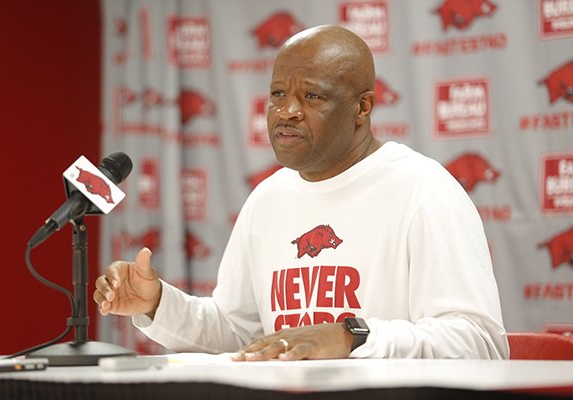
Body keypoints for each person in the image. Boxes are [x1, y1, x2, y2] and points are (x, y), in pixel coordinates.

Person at [93, 25, 509, 360]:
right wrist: (157, 303)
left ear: (363, 108)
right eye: (277, 94)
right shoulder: (268, 198)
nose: (286, 111)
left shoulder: (425, 191)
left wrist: (352, 337)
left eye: (311, 95)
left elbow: (481, 344)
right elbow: (240, 332)